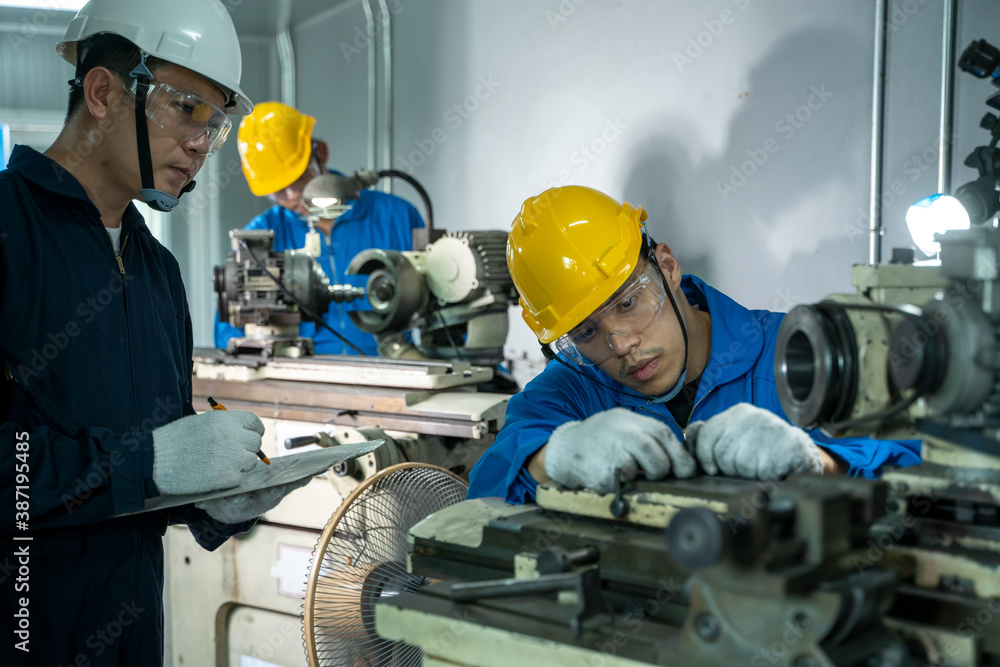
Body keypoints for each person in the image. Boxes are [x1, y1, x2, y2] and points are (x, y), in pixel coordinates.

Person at [0, 1, 305, 665]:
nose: (203, 142)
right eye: (187, 108)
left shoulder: (157, 271)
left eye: (215, 121)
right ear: (105, 92)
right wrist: (146, 464)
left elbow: (140, 476)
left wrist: (215, 498)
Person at [467, 186, 922, 503]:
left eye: (628, 303)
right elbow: (485, 489)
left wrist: (819, 463)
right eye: (586, 332)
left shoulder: (798, 350)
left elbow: (920, 466)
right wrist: (553, 458)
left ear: (666, 265)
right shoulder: (573, 386)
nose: (621, 343)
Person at [214, 101, 425, 356]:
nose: (292, 196)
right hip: (305, 378)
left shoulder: (397, 216)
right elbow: (228, 332)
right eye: (278, 191)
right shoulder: (259, 238)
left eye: (300, 179)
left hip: (392, 366)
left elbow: (441, 306)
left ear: (321, 154)